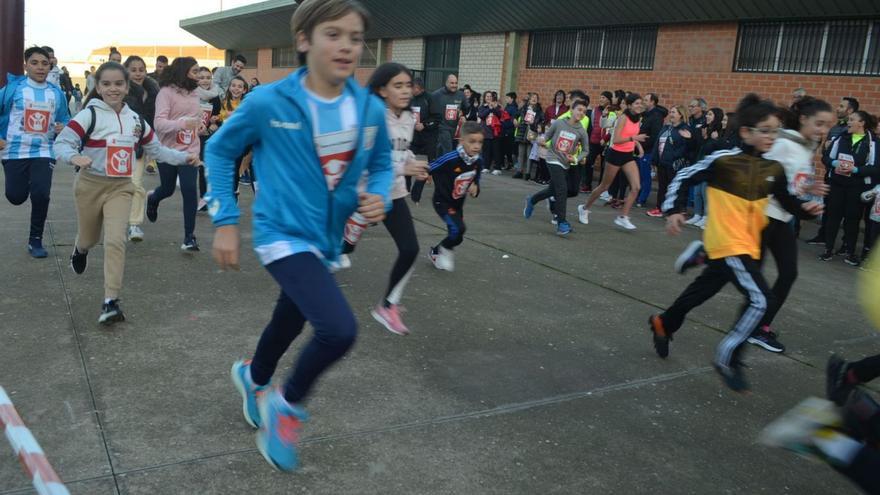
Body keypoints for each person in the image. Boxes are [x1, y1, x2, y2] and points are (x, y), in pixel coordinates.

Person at [206, 0, 392, 472]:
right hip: (281, 232)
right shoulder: (269, 102)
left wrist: (381, 196)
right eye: (334, 34)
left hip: (326, 238)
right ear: (304, 41)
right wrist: (225, 219)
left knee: (291, 317)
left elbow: (383, 163)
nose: (347, 46)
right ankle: (283, 410)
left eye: (354, 37)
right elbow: (220, 151)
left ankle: (255, 376)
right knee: (338, 329)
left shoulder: (368, 108)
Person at [649, 94, 823, 392]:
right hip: (730, 244)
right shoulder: (724, 160)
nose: (772, 136)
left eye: (775, 130)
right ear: (746, 132)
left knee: (703, 289)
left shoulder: (773, 170)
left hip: (748, 244)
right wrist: (674, 210)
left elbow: (786, 201)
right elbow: (684, 176)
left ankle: (664, 322)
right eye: (765, 130)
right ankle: (727, 357)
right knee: (761, 300)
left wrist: (804, 209)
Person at [54, 62, 198, 325]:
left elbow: (157, 150)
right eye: (106, 84)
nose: (113, 89)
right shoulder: (89, 115)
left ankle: (111, 301)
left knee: (115, 241)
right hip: (90, 185)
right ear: (97, 87)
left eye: (118, 84)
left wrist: (183, 158)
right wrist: (75, 157)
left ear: (126, 86)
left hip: (121, 187)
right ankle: (80, 248)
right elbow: (62, 143)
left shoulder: (135, 121)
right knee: (89, 238)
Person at [338, 62, 428, 335]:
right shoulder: (371, 118)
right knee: (344, 251)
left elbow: (402, 151)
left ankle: (388, 305)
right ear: (381, 90)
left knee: (410, 249)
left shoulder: (409, 118)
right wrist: (403, 167)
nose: (405, 91)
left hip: (395, 192)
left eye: (408, 85)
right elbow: (365, 162)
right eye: (397, 86)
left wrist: (414, 163)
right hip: (366, 192)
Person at [743, 97, 833, 353]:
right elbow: (763, 175)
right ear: (803, 119)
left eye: (828, 125)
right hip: (763, 216)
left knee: (788, 273)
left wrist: (807, 187)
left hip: (782, 218)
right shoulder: (783, 143)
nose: (823, 130)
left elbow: (790, 179)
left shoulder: (807, 145)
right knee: (749, 279)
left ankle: (760, 328)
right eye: (819, 123)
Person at [0, 46, 70, 258]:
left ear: (50, 65)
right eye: (35, 63)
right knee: (15, 196)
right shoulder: (13, 89)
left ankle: (35, 240)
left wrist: (63, 126)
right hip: (14, 151)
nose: (40, 67)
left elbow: (65, 118)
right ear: (26, 65)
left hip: (43, 151)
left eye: (44, 63)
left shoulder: (56, 93)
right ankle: (28, 181)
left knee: (41, 194)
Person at [146, 56, 205, 252]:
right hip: (168, 150)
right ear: (183, 71)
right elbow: (159, 124)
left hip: (190, 151)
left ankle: (189, 237)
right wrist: (183, 123)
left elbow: (194, 119)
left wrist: (199, 126)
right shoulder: (166, 93)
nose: (199, 76)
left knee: (190, 191)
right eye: (195, 71)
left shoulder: (196, 93)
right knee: (168, 189)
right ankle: (153, 199)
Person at [410, 121, 482, 272]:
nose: (476, 146)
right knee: (459, 229)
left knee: (458, 236)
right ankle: (444, 250)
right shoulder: (450, 158)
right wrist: (416, 193)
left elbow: (476, 177)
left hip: (457, 204)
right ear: (462, 141)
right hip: (442, 201)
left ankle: (435, 252)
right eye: (472, 142)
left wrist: (475, 186)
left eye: (480, 142)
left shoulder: (478, 161)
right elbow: (428, 169)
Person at [578, 93, 646, 230]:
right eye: (637, 103)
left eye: (641, 103)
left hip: (628, 155)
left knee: (636, 187)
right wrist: (634, 139)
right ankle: (584, 208)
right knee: (604, 186)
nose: (640, 106)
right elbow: (616, 140)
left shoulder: (637, 118)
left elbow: (632, 136)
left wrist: (639, 146)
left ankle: (623, 217)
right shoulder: (623, 118)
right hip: (615, 154)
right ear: (629, 105)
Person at [523, 99, 590, 236]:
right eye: (579, 110)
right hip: (553, 159)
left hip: (566, 163)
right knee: (561, 189)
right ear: (571, 109)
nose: (581, 113)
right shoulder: (559, 123)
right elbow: (547, 136)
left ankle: (532, 200)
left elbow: (586, 150)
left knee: (553, 190)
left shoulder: (581, 131)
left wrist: (576, 158)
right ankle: (562, 223)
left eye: (584, 111)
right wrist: (541, 140)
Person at [820, 110, 878, 266]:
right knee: (833, 216)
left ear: (862, 123)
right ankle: (828, 249)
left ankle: (850, 251)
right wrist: (833, 163)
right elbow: (825, 157)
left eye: (852, 119)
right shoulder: (840, 138)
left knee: (852, 219)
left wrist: (856, 170)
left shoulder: (872, 142)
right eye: (848, 120)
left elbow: (875, 167)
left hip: (856, 186)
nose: (848, 122)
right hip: (837, 184)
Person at [807, 96, 862, 246]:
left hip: (847, 179)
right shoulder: (835, 127)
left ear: (850, 110)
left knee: (846, 212)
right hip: (830, 174)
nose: (838, 108)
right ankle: (823, 236)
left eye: (841, 106)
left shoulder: (854, 131)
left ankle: (845, 244)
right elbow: (826, 150)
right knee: (828, 206)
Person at [123, 55, 161, 240]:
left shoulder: (154, 92)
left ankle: (134, 224)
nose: (138, 73)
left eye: (141, 69)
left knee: (136, 183)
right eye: (133, 70)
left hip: (142, 145)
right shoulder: (119, 90)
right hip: (118, 145)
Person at [647, 105, 691, 218]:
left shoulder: (684, 129)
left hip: (674, 164)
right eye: (671, 112)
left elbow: (685, 147)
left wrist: (672, 157)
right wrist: (654, 160)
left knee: (674, 188)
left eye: (674, 112)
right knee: (662, 187)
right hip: (662, 163)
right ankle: (659, 208)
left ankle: (673, 211)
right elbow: (657, 143)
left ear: (681, 115)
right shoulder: (666, 127)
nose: (671, 114)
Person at [684, 107, 725, 227]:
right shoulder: (704, 129)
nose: (707, 116)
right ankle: (697, 214)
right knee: (697, 192)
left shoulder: (718, 131)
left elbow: (714, 148)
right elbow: (699, 146)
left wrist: (712, 139)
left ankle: (706, 216)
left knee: (705, 192)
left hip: (710, 166)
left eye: (710, 115)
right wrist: (701, 137)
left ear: (716, 117)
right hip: (700, 162)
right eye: (707, 114)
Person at [195, 67, 222, 211]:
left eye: (208, 77)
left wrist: (214, 121)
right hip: (192, 134)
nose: (205, 80)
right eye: (201, 77)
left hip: (207, 136)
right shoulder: (192, 94)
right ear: (196, 79)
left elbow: (219, 116)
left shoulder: (215, 95)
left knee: (204, 166)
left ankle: (204, 197)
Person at [635, 92, 666, 205]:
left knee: (645, 176)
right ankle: (637, 195)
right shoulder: (644, 114)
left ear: (653, 102)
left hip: (647, 151)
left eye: (646, 100)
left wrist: (643, 144)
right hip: (638, 149)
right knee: (638, 175)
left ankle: (642, 199)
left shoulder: (656, 117)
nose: (643, 102)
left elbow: (654, 136)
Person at [427, 74, 464, 159]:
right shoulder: (437, 94)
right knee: (448, 148)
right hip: (442, 126)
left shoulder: (460, 95)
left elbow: (466, 108)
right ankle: (448, 168)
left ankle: (437, 166)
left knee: (441, 149)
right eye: (452, 83)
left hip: (454, 127)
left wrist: (463, 114)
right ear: (446, 83)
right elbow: (428, 105)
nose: (454, 85)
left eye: (456, 83)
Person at [584, 91, 611, 193]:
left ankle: (601, 187)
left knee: (604, 166)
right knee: (589, 163)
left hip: (605, 142)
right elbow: (591, 125)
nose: (601, 99)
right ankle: (587, 185)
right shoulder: (595, 110)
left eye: (603, 97)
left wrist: (605, 139)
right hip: (593, 141)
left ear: (608, 100)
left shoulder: (611, 111)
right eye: (600, 97)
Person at [513, 92, 542, 180]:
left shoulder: (539, 110)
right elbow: (516, 115)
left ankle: (528, 173)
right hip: (522, 131)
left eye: (536, 98)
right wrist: (514, 120)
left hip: (531, 133)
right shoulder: (524, 108)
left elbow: (541, 121)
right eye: (532, 97)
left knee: (529, 154)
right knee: (521, 153)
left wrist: (535, 123)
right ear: (529, 99)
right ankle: (519, 171)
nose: (534, 99)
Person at [478, 90, 503, 175]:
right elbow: (481, 116)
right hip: (486, 132)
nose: (489, 98)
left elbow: (500, 115)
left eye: (490, 96)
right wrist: (489, 108)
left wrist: (494, 108)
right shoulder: (482, 107)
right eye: (487, 96)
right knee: (486, 151)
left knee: (496, 150)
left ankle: (497, 168)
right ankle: (486, 167)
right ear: (484, 98)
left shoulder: (497, 106)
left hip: (495, 132)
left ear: (492, 98)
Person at [408, 77, 432, 160]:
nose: (410, 90)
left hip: (425, 140)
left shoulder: (429, 98)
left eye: (412, 87)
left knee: (422, 164)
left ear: (418, 88)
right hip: (412, 138)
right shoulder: (409, 99)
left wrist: (424, 125)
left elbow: (436, 118)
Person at [501, 91, 519, 170]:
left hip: (509, 131)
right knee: (505, 147)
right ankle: (508, 163)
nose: (506, 99)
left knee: (508, 148)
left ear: (512, 98)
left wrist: (505, 125)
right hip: (505, 129)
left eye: (508, 98)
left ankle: (510, 163)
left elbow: (513, 120)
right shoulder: (507, 106)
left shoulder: (514, 108)